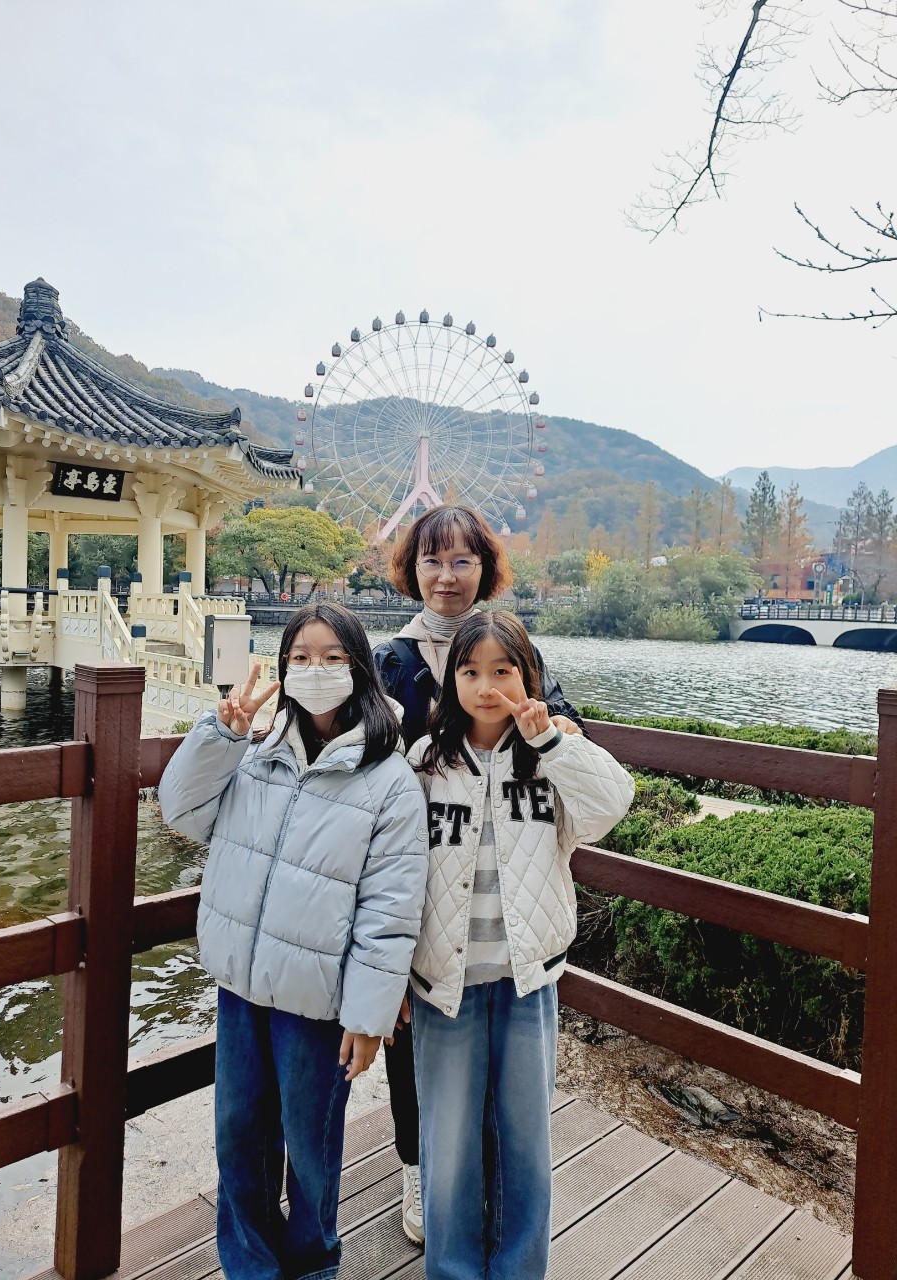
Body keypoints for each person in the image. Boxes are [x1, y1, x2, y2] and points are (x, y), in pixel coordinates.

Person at [158, 603, 429, 1280]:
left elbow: (390, 908)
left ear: (360, 668)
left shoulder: (389, 779)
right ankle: (249, 1266)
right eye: (301, 658)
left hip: (319, 1001)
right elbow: (179, 811)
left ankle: (313, 1266)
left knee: (312, 1147)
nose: (316, 670)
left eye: (333, 658)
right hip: (242, 984)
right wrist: (220, 735)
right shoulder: (254, 752)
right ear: (281, 668)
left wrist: (369, 1014)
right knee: (239, 1137)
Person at [371, 504, 585, 1244]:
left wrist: (557, 732)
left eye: (463, 560)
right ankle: (416, 1168)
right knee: (414, 1043)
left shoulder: (514, 646)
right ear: (412, 569)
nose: (447, 576)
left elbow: (562, 726)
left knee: (494, 1072)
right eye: (432, 560)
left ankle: (485, 1192)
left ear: (484, 568)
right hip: (421, 875)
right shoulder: (391, 660)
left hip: (499, 876)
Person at [407, 610, 635, 1280]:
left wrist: (555, 743)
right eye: (469, 671)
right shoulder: (424, 762)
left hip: (526, 980)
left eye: (502, 670)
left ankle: (518, 1269)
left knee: (525, 1138)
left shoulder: (549, 757)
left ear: (527, 677)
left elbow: (612, 805)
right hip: (442, 985)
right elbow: (393, 872)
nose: (486, 687)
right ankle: (453, 1268)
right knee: (447, 1141)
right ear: (451, 682)